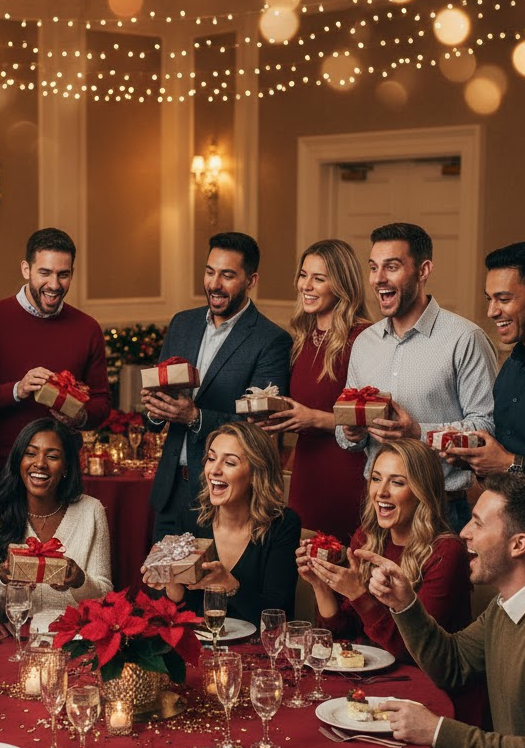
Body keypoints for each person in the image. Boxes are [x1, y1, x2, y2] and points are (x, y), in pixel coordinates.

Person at [366, 475, 525, 748]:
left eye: (477, 523)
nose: (463, 533)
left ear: (518, 544)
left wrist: (437, 730)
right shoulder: (505, 607)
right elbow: (453, 664)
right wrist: (405, 605)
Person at [336, 222, 497, 532]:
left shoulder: (464, 338)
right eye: (373, 267)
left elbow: (485, 427)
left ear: (423, 271)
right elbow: (347, 436)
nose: (378, 279)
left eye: (391, 267)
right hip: (377, 509)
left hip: (440, 509)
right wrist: (352, 433)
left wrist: (417, 433)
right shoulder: (364, 343)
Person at [142, 232, 292, 540]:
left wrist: (195, 418)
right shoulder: (182, 323)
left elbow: (259, 432)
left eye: (227, 275)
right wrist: (157, 411)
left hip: (225, 497)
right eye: (210, 272)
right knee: (162, 588)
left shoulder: (271, 340)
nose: (214, 284)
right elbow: (153, 416)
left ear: (251, 280)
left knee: (212, 587)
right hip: (169, 493)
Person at [0, 228, 111, 499]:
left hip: (62, 473)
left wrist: (80, 415)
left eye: (63, 274)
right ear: (26, 269)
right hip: (2, 469)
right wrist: (17, 390)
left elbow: (102, 402)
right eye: (45, 273)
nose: (54, 285)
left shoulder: (87, 328)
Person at [297, 439, 471, 661]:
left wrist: (357, 594)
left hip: (422, 684)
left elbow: (412, 652)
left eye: (397, 482)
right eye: (376, 479)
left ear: (422, 491)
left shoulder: (445, 552)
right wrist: (321, 584)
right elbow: (341, 638)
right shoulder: (366, 538)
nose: (381, 492)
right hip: (369, 678)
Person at [263, 239, 371, 543]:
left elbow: (372, 420)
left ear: (341, 284)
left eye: (319, 278)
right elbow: (299, 407)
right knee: (305, 566)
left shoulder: (364, 338)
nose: (305, 286)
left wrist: (315, 419)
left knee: (345, 569)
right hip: (305, 473)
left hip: (349, 474)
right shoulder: (302, 338)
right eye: (303, 274)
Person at [144, 422, 300, 627]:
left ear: (256, 474)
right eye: (211, 458)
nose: (214, 470)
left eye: (230, 463)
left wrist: (230, 585)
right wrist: (172, 583)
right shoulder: (191, 517)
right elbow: (188, 612)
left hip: (260, 649)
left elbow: (279, 617)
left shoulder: (282, 524)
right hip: (204, 645)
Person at [0, 418, 112, 632]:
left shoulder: (91, 510)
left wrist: (80, 581)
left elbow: (105, 597)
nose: (40, 463)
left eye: (53, 456)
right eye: (30, 453)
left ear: (66, 466)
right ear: (19, 460)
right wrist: (2, 579)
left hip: (73, 640)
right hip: (13, 642)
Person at [444, 242, 525, 477]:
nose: (491, 311)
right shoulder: (510, 366)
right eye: (489, 299)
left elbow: (509, 461)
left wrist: (510, 463)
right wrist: (473, 457)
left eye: (503, 299)